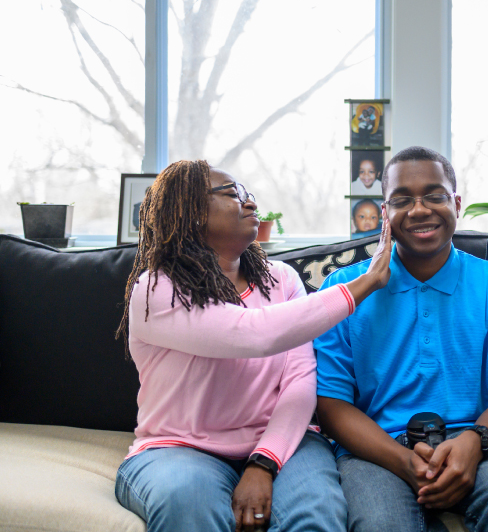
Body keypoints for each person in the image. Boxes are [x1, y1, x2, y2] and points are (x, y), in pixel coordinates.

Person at [114, 159, 392, 532]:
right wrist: (366, 282)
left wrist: (264, 462)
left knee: (315, 514)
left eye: (248, 193)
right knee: (189, 504)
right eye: (232, 194)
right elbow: (251, 334)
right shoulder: (156, 288)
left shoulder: (281, 279)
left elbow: (300, 381)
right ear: (190, 211)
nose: (249, 203)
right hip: (178, 448)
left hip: (285, 443)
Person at [315, 146, 488, 532]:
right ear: (384, 212)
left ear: (457, 203)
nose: (419, 210)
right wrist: (401, 461)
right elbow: (331, 405)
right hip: (376, 448)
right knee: (381, 523)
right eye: (401, 200)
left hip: (477, 440)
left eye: (435, 195)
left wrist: (474, 441)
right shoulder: (342, 289)